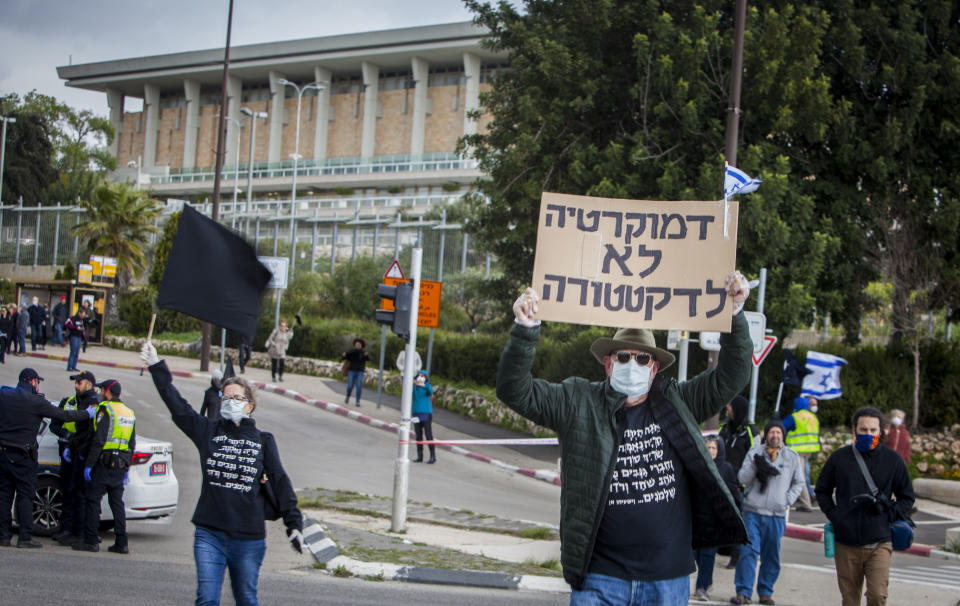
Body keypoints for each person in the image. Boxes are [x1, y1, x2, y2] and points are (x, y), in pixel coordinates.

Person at [497, 271, 753, 604]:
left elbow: (732, 375)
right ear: (607, 363)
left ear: (654, 368)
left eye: (642, 357)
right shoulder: (577, 401)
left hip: (666, 580)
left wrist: (734, 314)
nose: (633, 363)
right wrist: (525, 330)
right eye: (623, 356)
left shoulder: (681, 401)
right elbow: (514, 390)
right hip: (599, 579)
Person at [140, 341, 305, 606]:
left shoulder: (263, 440)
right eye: (225, 397)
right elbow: (179, 408)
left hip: (248, 537)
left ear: (249, 405)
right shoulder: (209, 431)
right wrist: (156, 365)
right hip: (209, 532)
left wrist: (294, 524)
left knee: (245, 598)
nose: (229, 402)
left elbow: (280, 480)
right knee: (206, 599)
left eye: (236, 398)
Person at [815, 406, 915, 606]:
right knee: (850, 600)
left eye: (873, 430)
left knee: (877, 596)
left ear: (880, 432)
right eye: (863, 430)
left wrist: (889, 515)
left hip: (879, 542)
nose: (868, 434)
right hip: (846, 542)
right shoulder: (839, 458)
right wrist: (836, 516)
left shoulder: (892, 460)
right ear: (854, 430)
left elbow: (907, 497)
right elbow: (822, 490)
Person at [0, 368, 94, 548]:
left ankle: (3, 536)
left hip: (3, 454)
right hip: (23, 457)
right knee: (25, 496)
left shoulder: (4, 396)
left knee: (4, 495)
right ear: (33, 382)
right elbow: (63, 415)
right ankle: (25, 538)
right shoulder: (36, 402)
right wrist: (87, 414)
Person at [730, 419, 804, 605]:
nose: (775, 436)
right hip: (752, 511)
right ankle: (743, 592)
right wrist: (757, 465)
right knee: (748, 552)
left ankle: (765, 592)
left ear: (782, 435)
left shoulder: (791, 457)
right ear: (767, 435)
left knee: (771, 555)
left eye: (778, 433)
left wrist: (786, 500)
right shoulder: (755, 453)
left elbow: (799, 483)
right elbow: (742, 478)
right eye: (772, 432)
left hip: (776, 515)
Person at [73, 379, 135, 554]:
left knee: (92, 500)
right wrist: (126, 468)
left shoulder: (105, 409)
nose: (100, 392)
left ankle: (91, 541)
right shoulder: (129, 412)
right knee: (117, 504)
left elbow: (99, 440)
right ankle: (122, 543)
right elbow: (132, 443)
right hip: (120, 464)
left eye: (101, 389)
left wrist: (89, 465)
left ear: (107, 392)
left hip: (104, 463)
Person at [49, 369, 100, 546]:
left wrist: (74, 444)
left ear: (89, 385)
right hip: (69, 451)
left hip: (83, 453)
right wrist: (67, 438)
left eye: (79, 382)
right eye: (75, 382)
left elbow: (91, 433)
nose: (75, 385)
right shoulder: (69, 402)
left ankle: (79, 532)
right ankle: (66, 529)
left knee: (81, 493)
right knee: (68, 490)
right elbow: (54, 424)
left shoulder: (94, 404)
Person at [693, 435, 741, 602]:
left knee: (707, 555)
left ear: (719, 450)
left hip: (715, 521)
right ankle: (707, 582)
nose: (710, 451)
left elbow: (733, 493)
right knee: (696, 555)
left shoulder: (726, 468)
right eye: (707, 448)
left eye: (713, 448)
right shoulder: (698, 466)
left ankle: (702, 587)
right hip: (697, 518)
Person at [783, 395, 820, 512]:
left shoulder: (795, 417)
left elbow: (782, 426)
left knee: (800, 477)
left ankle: (805, 503)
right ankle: (801, 499)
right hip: (810, 450)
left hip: (797, 450)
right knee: (803, 475)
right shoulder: (813, 417)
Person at [411, 370, 436, 464]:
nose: (420, 377)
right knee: (418, 435)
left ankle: (432, 456)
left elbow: (430, 391)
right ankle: (420, 456)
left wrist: (423, 385)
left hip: (426, 413)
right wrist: (414, 382)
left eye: (422, 376)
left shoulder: (427, 386)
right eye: (419, 375)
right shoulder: (414, 387)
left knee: (428, 435)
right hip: (416, 413)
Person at [341, 337, 369, 407]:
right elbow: (346, 357)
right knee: (350, 385)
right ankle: (347, 396)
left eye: (359, 344)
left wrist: (366, 355)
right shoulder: (352, 351)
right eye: (356, 344)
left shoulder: (363, 353)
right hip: (351, 370)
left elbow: (368, 359)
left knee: (359, 386)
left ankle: (357, 401)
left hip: (360, 371)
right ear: (354, 345)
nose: (357, 345)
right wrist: (343, 355)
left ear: (361, 345)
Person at [265, 318, 293, 383]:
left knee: (282, 362)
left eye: (285, 326)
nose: (283, 327)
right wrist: (274, 344)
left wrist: (291, 331)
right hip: (275, 350)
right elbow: (270, 339)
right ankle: (273, 377)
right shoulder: (276, 331)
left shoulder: (286, 333)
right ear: (280, 326)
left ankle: (280, 376)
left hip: (282, 350)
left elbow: (289, 338)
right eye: (282, 326)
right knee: (274, 364)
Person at [64, 307, 88, 371]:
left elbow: (84, 327)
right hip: (73, 336)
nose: (83, 315)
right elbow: (67, 324)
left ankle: (74, 366)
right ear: (79, 313)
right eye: (83, 314)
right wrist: (76, 327)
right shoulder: (72, 318)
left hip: (79, 337)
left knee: (77, 352)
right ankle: (69, 366)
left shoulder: (82, 320)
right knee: (73, 352)